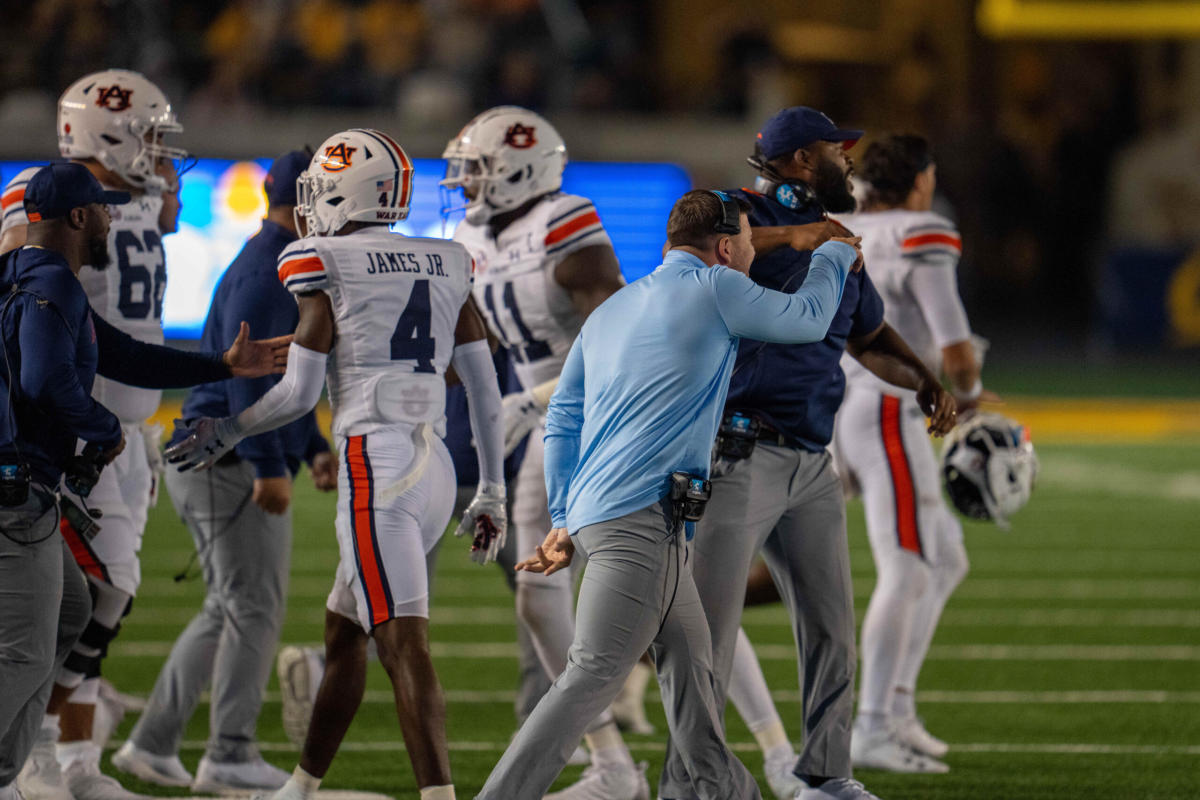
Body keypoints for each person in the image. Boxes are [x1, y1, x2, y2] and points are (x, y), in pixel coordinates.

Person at [476, 189, 861, 800]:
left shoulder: (614, 309)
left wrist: (561, 517)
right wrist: (834, 256)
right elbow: (809, 320)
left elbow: (563, 420)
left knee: (692, 675)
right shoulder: (717, 287)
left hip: (613, 517)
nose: (753, 256)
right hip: (644, 522)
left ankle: (722, 791)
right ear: (728, 246)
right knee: (592, 677)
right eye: (749, 245)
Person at [165, 128, 508, 800]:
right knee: (344, 633)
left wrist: (229, 430)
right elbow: (484, 384)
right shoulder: (448, 259)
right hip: (433, 464)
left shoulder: (320, 259)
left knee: (402, 644)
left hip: (375, 468)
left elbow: (295, 395)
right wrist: (490, 487)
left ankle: (439, 795)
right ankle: (301, 788)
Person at [657, 108, 958, 800]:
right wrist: (801, 234)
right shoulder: (734, 211)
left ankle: (826, 775)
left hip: (811, 461)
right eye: (834, 149)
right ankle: (689, 784)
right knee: (709, 635)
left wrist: (926, 383)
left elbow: (870, 336)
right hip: (736, 454)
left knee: (830, 629)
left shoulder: (840, 243)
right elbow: (684, 253)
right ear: (796, 161)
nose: (847, 161)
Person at [0, 162, 288, 800]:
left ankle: (31, 761)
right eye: (100, 208)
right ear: (78, 219)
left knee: (75, 608)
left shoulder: (31, 275)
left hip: (22, 487)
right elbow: (42, 381)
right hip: (15, 491)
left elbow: (122, 354)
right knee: (23, 650)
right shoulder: (53, 282)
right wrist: (102, 428)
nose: (110, 216)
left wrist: (222, 363)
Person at [112, 151, 336, 792]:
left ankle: (152, 745)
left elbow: (288, 379)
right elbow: (253, 380)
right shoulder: (276, 269)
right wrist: (270, 465)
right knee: (253, 607)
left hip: (216, 452)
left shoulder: (270, 256)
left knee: (230, 606)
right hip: (228, 457)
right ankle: (229, 753)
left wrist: (309, 447)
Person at [441, 105, 640, 797]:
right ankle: (611, 762)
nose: (465, 183)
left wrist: (531, 401)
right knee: (536, 591)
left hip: (611, 423)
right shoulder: (472, 233)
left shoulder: (564, 220)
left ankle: (766, 749)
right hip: (550, 427)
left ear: (520, 168)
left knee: (675, 605)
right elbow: (476, 341)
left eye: (479, 169)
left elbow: (618, 343)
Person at [7, 68, 194, 800]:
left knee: (110, 594)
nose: (159, 151)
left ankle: (79, 762)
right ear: (106, 133)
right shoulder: (41, 194)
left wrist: (154, 176)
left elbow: (167, 216)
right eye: (148, 135)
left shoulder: (138, 194)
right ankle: (36, 752)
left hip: (131, 426)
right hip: (73, 430)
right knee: (88, 593)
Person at [832, 134, 987, 770]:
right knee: (909, 564)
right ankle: (869, 727)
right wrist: (970, 396)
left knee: (945, 557)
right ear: (919, 182)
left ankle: (895, 706)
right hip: (888, 407)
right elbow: (954, 349)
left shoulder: (837, 225)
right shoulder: (924, 232)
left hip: (839, 401)